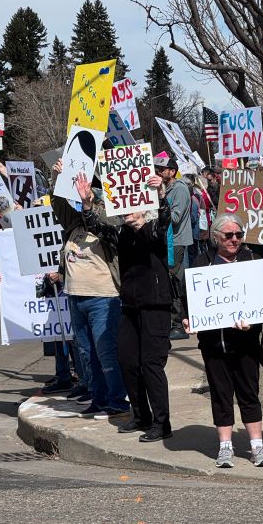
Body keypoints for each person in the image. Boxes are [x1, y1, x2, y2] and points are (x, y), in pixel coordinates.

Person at [182, 213, 263, 468]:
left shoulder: (253, 260)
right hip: (214, 345)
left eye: (239, 235)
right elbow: (190, 300)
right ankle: (225, 447)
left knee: (249, 393)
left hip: (246, 343)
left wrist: (253, 321)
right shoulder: (202, 263)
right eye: (229, 235)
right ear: (216, 237)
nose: (235, 240)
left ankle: (256, 446)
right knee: (221, 394)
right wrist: (188, 319)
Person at [51, 164, 130, 419]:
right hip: (76, 298)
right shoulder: (73, 227)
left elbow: (103, 224)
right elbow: (59, 205)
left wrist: (88, 204)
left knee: (106, 353)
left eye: (89, 195)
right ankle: (99, 399)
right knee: (86, 354)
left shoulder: (109, 225)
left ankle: (116, 400)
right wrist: (57, 178)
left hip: (103, 298)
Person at [116, 175, 173, 441]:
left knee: (151, 364)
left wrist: (160, 196)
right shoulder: (122, 233)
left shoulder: (153, 230)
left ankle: (162, 424)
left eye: (132, 205)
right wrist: (86, 202)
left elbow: (164, 223)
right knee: (128, 361)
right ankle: (141, 416)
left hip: (155, 306)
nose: (127, 210)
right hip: (130, 306)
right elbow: (95, 225)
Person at [155, 156, 193, 339]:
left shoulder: (179, 189)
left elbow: (175, 218)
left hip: (176, 241)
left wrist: (159, 205)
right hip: (166, 241)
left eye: (162, 169)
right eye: (157, 168)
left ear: (172, 171)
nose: (159, 171)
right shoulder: (165, 188)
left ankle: (178, 322)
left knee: (174, 280)